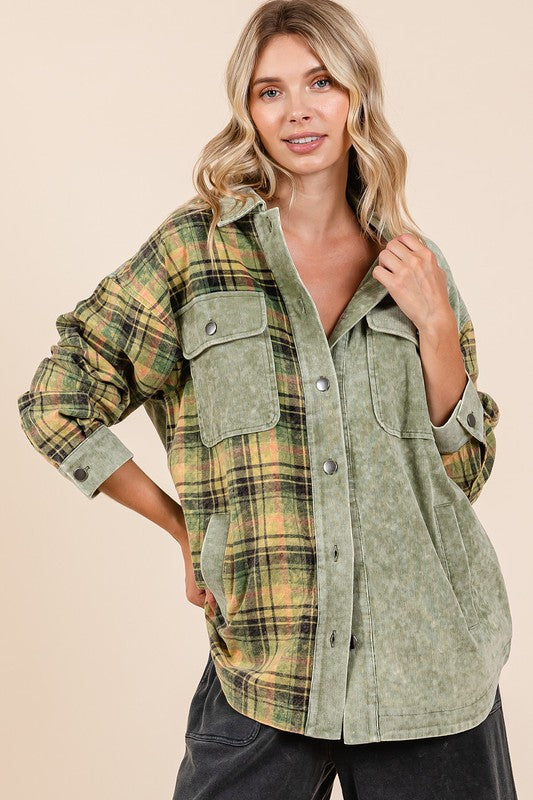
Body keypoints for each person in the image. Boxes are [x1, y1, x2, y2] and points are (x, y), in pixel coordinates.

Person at [17, 1, 518, 798]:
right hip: (264, 664)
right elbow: (58, 399)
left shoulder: (414, 265)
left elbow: (461, 477)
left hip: (427, 670)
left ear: (356, 94)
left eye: (321, 83)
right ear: (246, 111)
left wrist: (434, 326)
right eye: (270, 91)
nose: (297, 111)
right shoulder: (195, 252)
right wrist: (182, 527)